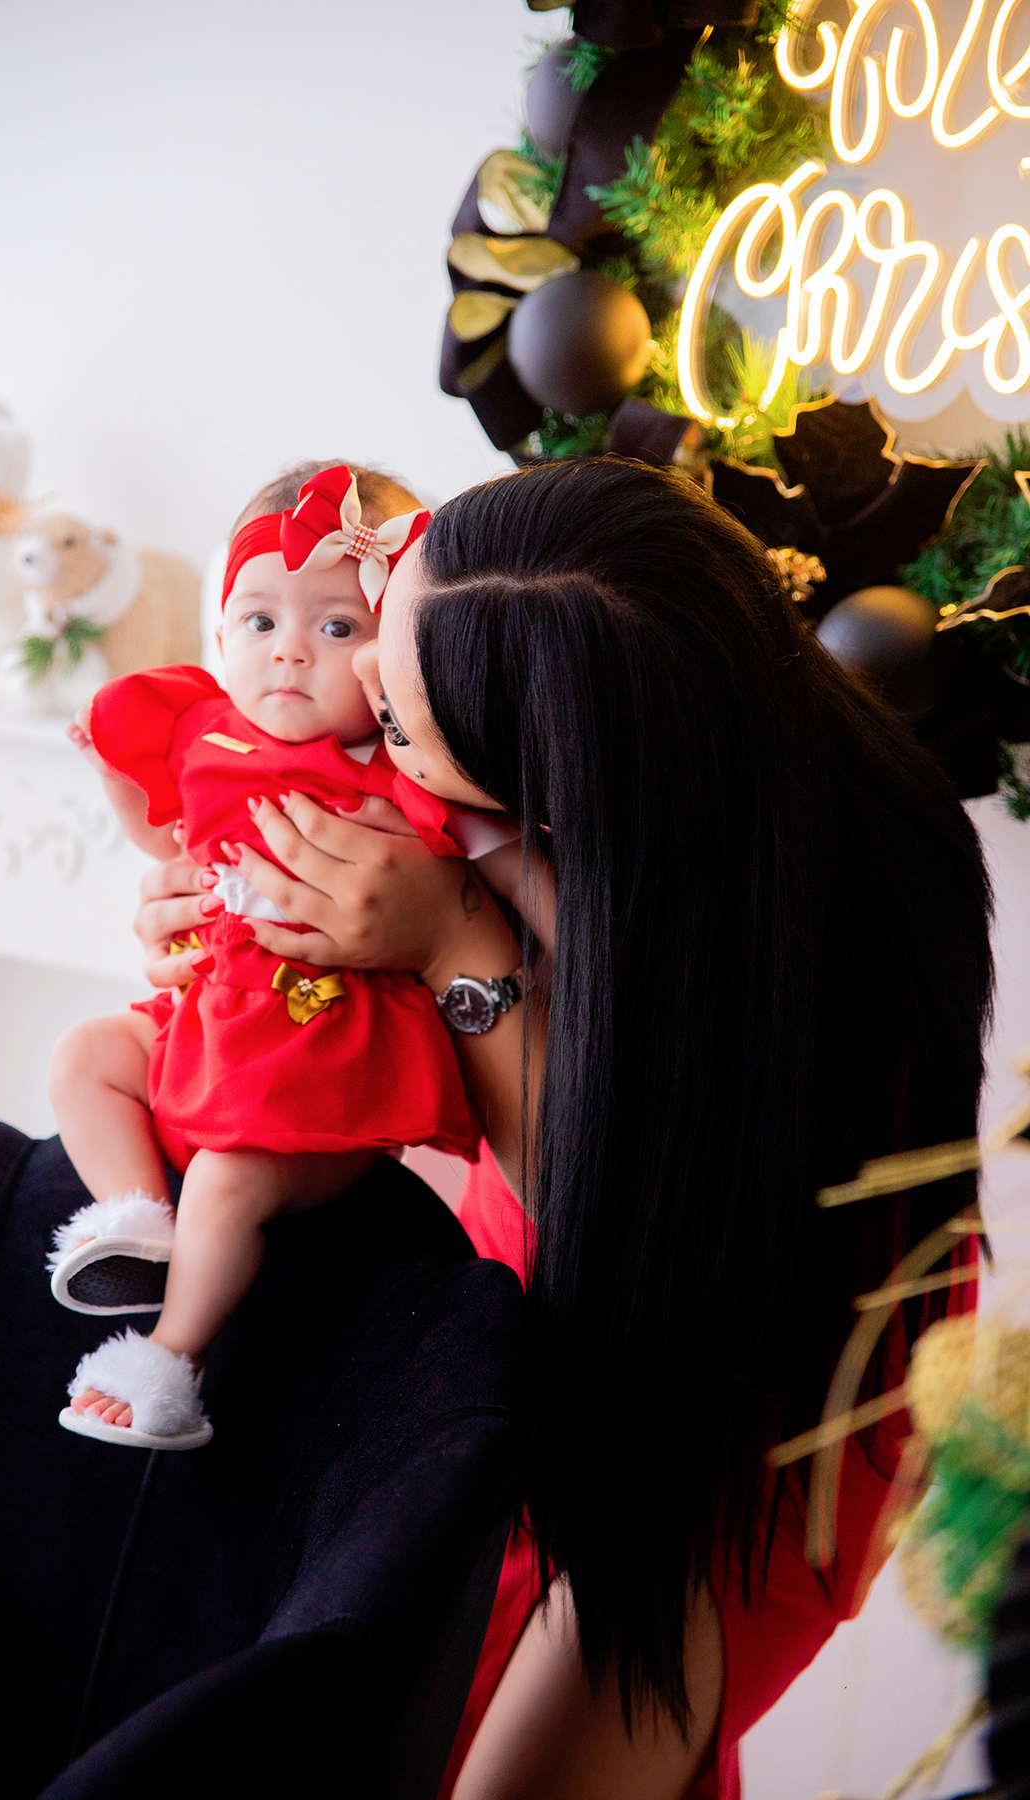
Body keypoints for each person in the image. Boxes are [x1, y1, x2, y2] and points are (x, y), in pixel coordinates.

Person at [132, 456, 992, 1798]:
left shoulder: (800, 927)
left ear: (564, 791)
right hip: (559, 1269)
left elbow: (638, 1238)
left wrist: (459, 956)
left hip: (766, 1378)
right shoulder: (578, 724)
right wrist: (228, 938)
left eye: (402, 731)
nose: (364, 722)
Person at [46, 461, 519, 1452]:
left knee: (227, 1176)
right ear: (223, 635)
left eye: (336, 628)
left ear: (397, 657)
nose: (290, 655)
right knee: (84, 1056)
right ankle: (131, 1216)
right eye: (260, 624)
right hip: (213, 1010)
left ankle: (170, 1357)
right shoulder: (207, 731)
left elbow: (484, 860)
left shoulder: (401, 769)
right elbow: (165, 838)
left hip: (315, 1047)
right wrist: (108, 776)